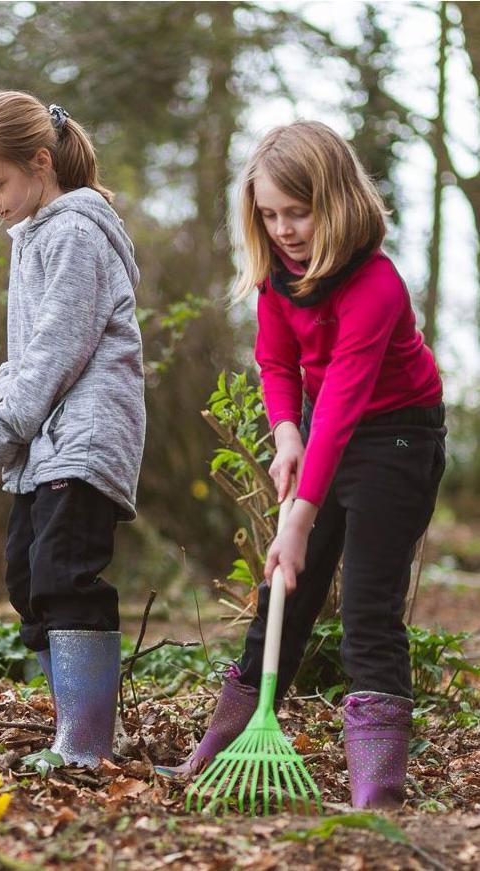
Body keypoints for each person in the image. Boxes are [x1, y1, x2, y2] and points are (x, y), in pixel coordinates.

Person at [158, 121, 445, 809]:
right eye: (268, 214)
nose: (283, 229)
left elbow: (346, 398)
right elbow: (275, 361)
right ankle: (216, 748)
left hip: (397, 438)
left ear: (336, 201)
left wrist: (298, 518)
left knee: (369, 610)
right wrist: (285, 432)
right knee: (285, 595)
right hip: (321, 425)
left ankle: (375, 791)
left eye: (298, 212)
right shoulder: (276, 277)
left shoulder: (374, 285)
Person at [0, 91, 146, 767]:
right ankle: (72, 724)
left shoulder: (72, 233)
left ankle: (85, 745)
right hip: (45, 440)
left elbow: (59, 350)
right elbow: (25, 354)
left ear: (39, 162)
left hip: (84, 436)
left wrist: (3, 424)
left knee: (63, 572)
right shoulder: (33, 233)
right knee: (26, 576)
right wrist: (3, 412)